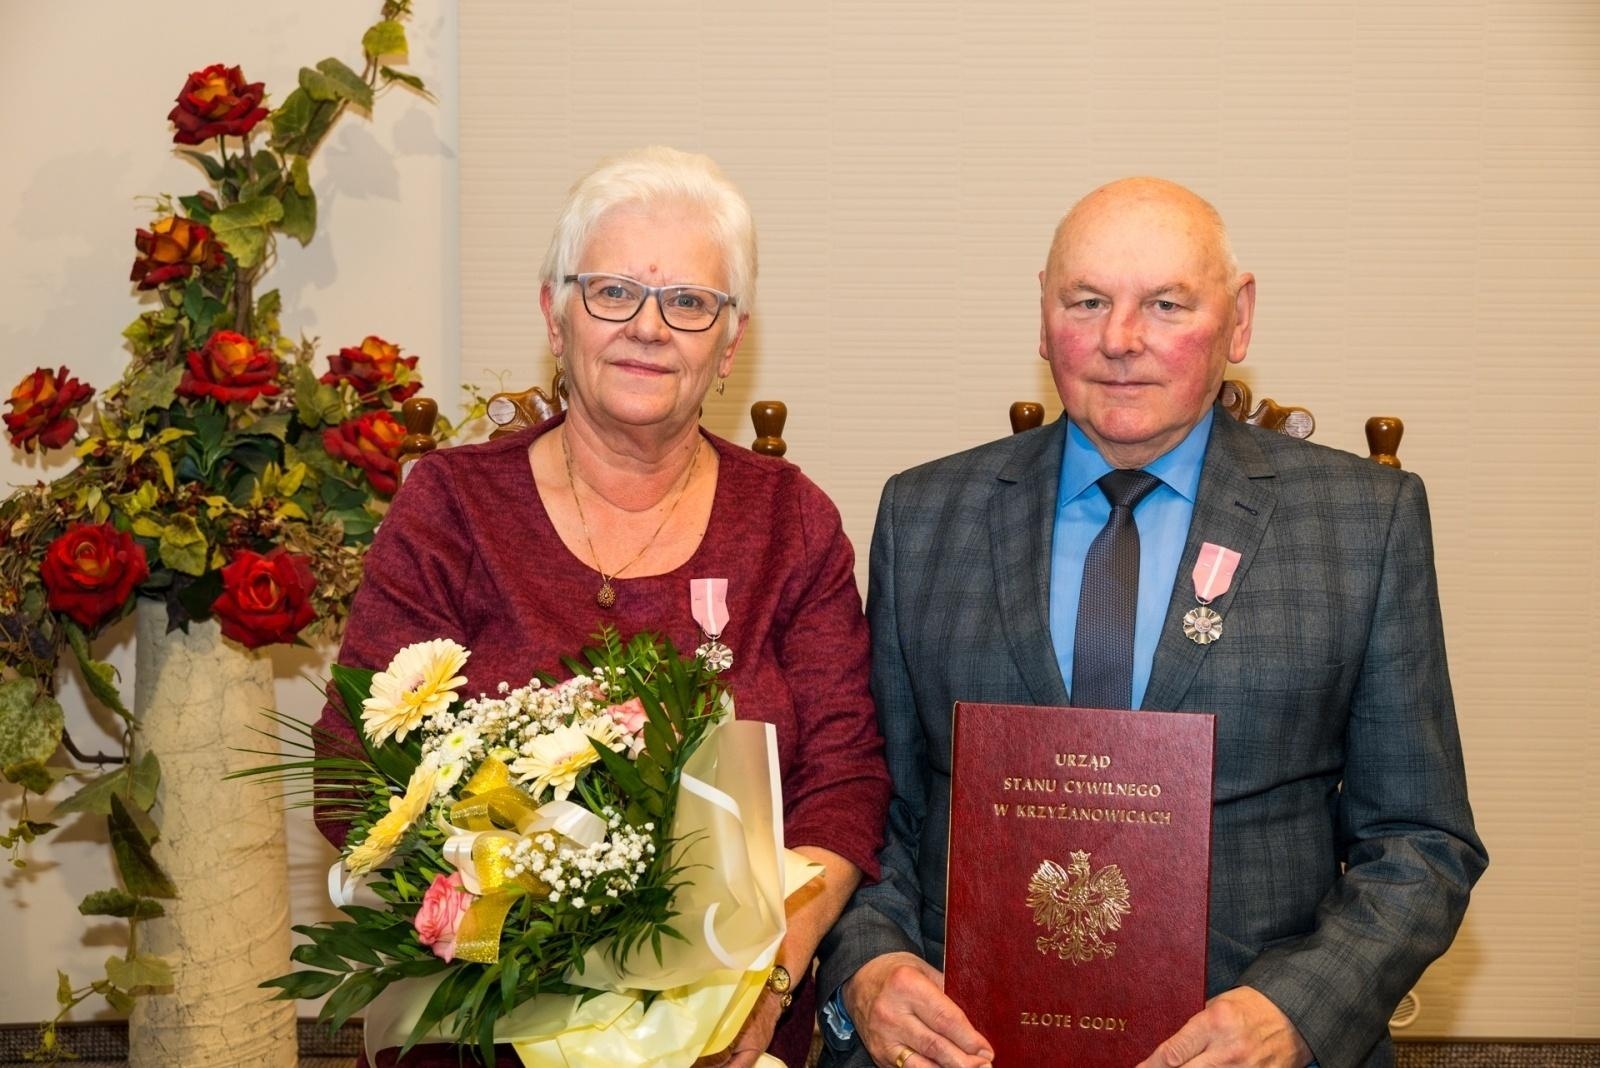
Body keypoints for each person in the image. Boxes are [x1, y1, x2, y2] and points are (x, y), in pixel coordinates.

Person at [815, 177, 1487, 1068]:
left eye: (1166, 304)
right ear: (1043, 314)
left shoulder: (1364, 522)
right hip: (966, 1046)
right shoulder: (924, 515)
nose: (1120, 339)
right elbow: (875, 811)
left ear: (1238, 320)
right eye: (1086, 301)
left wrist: (1294, 1013)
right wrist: (870, 967)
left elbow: (1421, 841)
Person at [316, 145, 891, 1068]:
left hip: (730, 1033)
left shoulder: (792, 522)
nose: (649, 329)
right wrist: (531, 954)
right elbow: (356, 765)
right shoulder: (451, 510)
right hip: (483, 1023)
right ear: (555, 313)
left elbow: (846, 784)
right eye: (612, 292)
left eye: (689, 302)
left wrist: (762, 984)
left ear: (730, 340)